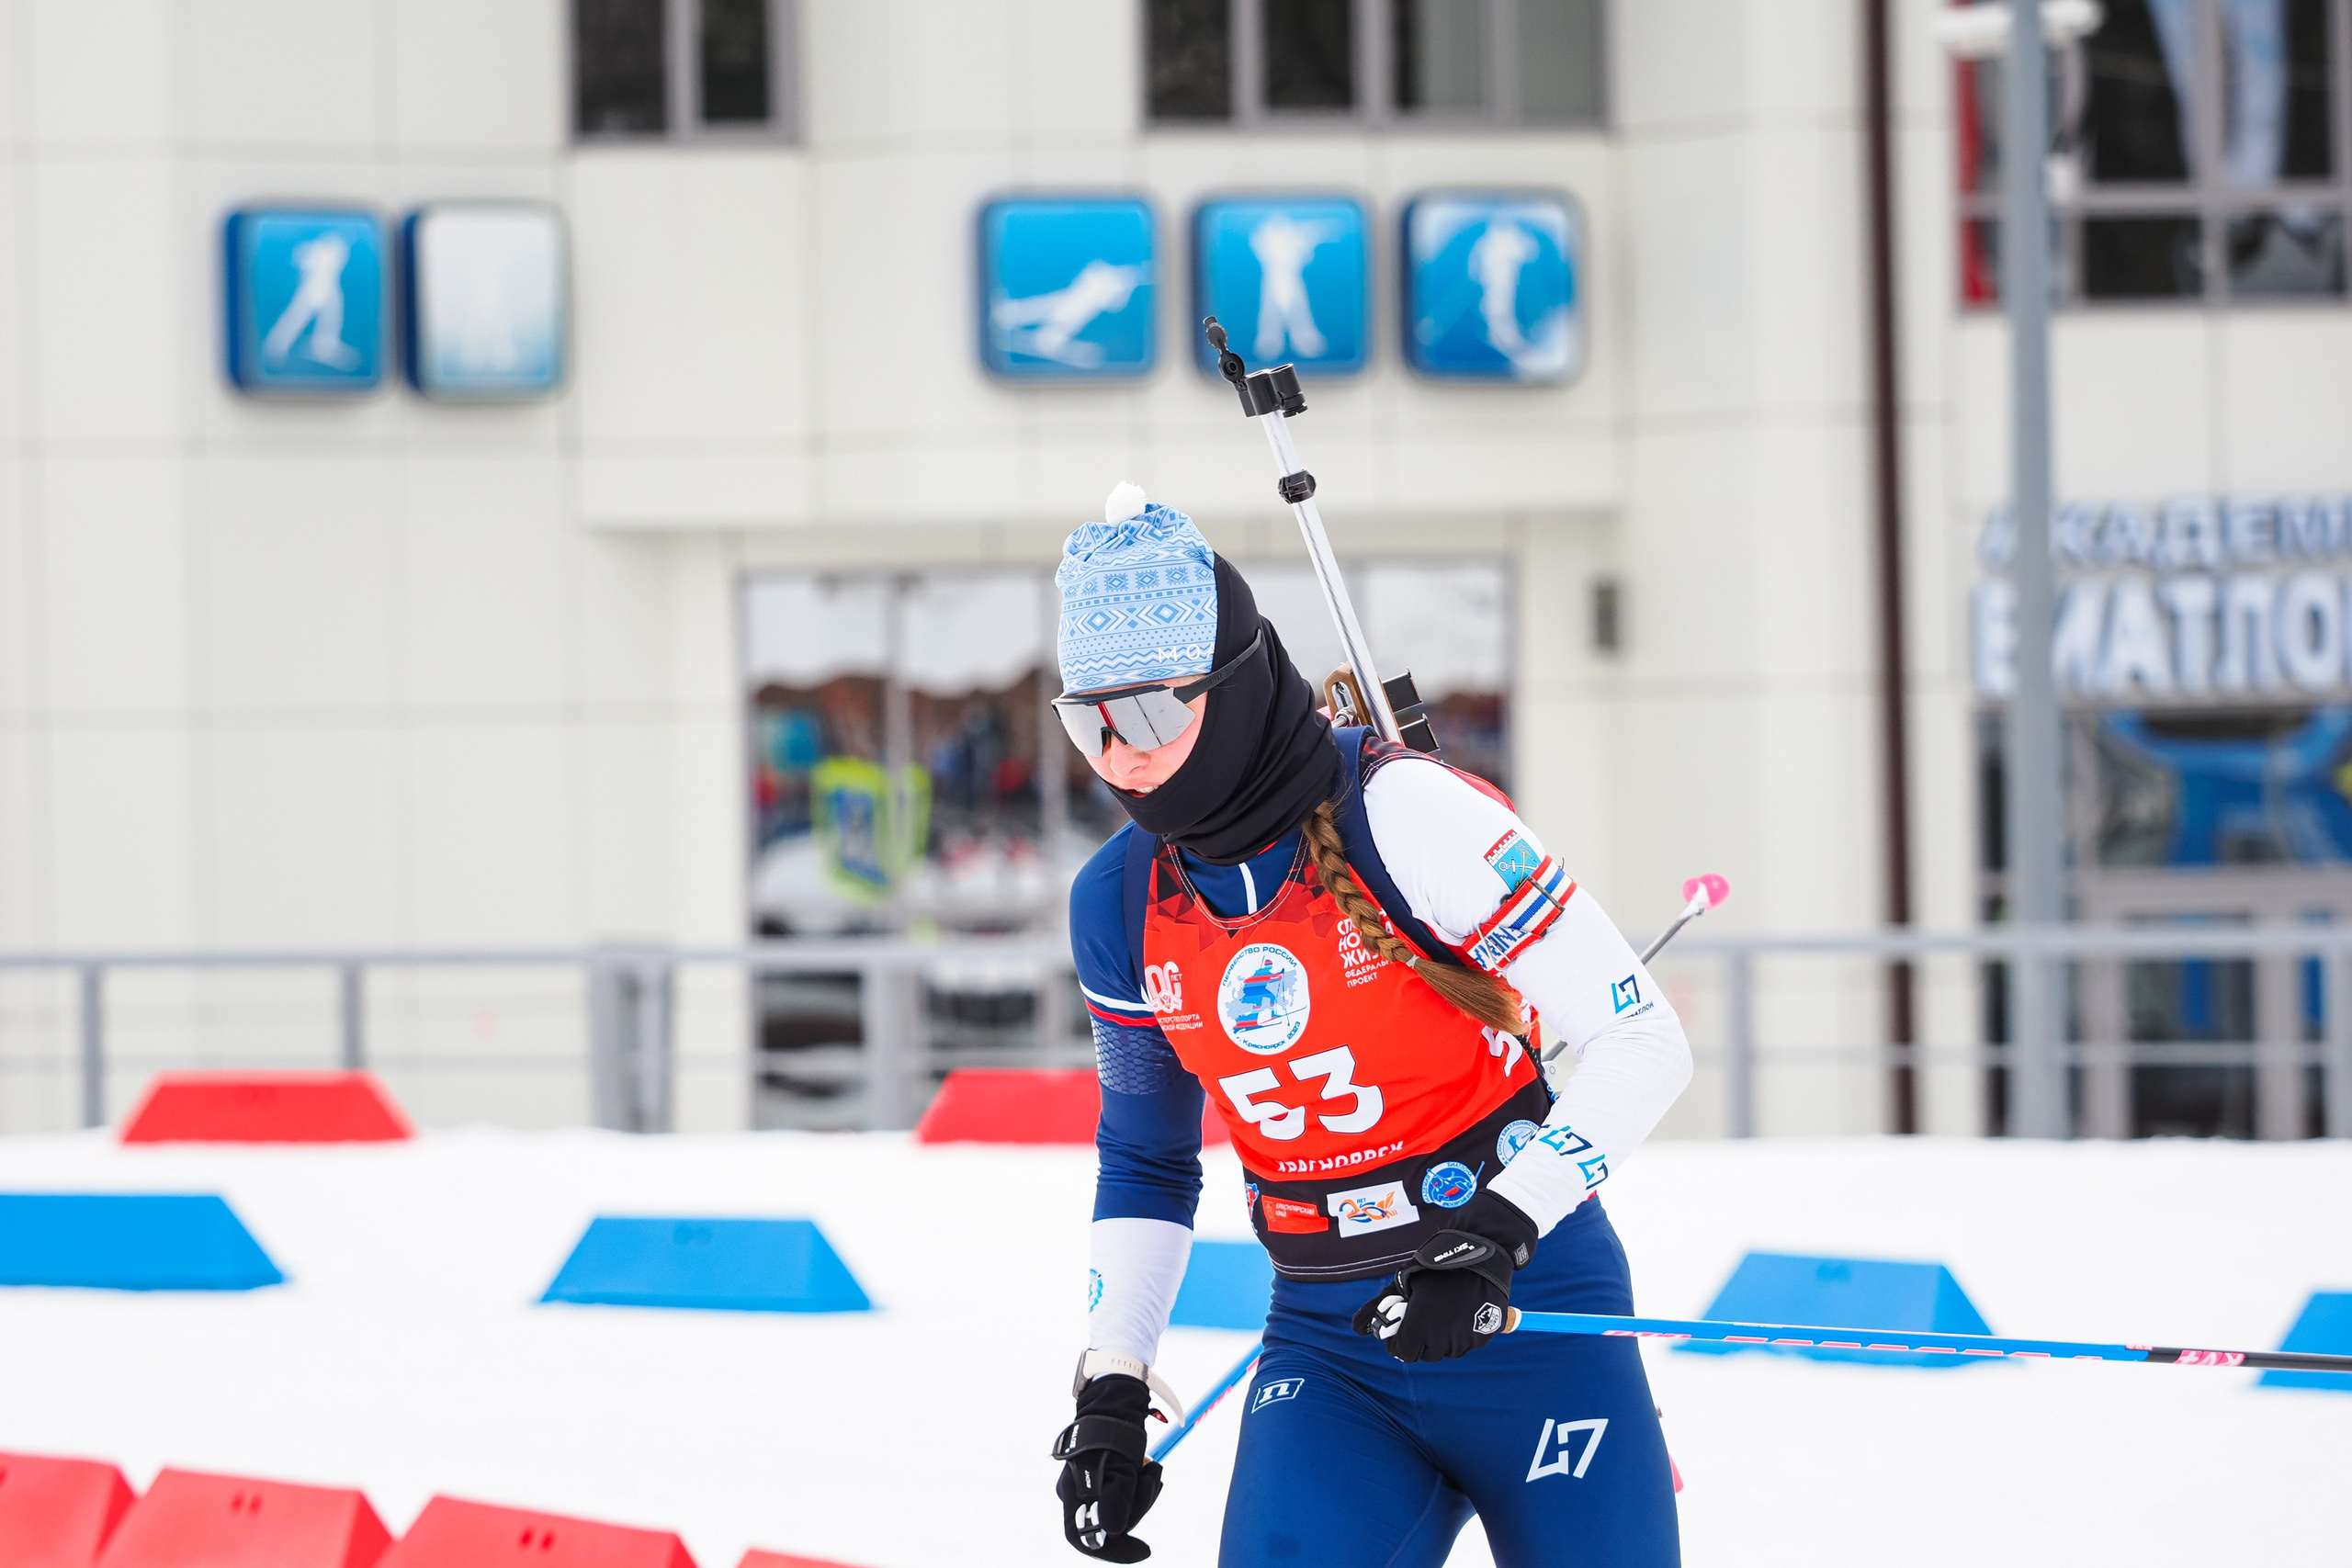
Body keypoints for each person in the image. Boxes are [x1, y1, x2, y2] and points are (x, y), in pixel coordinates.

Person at [1047, 486, 1694, 1567]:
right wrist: (1112, 1376)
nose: (1121, 755)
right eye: (1089, 721)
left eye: (1151, 713)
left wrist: (1499, 1231)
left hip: (1525, 1311)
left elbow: (1641, 1041)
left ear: (1236, 687)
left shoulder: (1411, 817)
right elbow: (1147, 1160)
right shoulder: (1117, 902)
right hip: (1328, 1345)